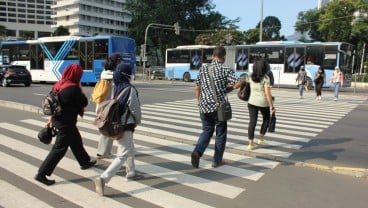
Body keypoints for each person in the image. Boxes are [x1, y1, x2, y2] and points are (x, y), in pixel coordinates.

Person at [35, 64, 96, 186]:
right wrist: (80, 89)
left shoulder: (58, 84)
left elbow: (54, 103)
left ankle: (84, 161)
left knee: (76, 141)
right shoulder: (73, 88)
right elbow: (83, 103)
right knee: (59, 149)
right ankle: (42, 174)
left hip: (59, 119)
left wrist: (50, 119)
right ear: (76, 75)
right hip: (66, 123)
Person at [94, 63, 143, 196]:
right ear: (125, 75)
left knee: (130, 148)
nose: (131, 75)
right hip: (125, 125)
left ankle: (131, 172)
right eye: (130, 73)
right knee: (122, 155)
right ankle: (103, 178)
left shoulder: (117, 87)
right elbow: (135, 109)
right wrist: (137, 122)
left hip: (117, 124)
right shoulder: (130, 89)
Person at [191, 46, 240, 168]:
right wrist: (229, 88)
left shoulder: (203, 69)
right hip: (219, 108)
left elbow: (197, 87)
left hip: (203, 106)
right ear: (223, 58)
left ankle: (197, 152)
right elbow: (237, 83)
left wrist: (199, 102)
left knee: (207, 130)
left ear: (213, 56)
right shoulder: (225, 69)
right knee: (220, 133)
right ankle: (216, 160)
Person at [96, 53, 122, 159]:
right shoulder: (114, 76)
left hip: (103, 105)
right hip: (110, 106)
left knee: (107, 127)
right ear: (117, 62)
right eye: (120, 61)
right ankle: (104, 152)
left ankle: (103, 151)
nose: (121, 63)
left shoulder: (104, 74)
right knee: (110, 129)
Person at [247, 58, 275, 150]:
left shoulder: (250, 76)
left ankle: (250, 144)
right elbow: (267, 94)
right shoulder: (266, 78)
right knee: (266, 119)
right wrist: (272, 106)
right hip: (263, 103)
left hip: (251, 102)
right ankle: (261, 139)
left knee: (252, 122)